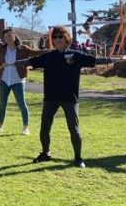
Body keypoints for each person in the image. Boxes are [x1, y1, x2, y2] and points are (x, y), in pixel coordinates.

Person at [9, 26, 116, 168]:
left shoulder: (76, 55)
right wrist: (12, 64)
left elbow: (95, 60)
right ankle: (45, 153)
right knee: (44, 128)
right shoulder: (48, 56)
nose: (57, 39)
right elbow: (31, 61)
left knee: (74, 129)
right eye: (55, 37)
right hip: (50, 98)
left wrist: (113, 60)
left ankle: (78, 158)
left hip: (69, 98)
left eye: (60, 36)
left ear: (67, 39)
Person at [0, 28, 45, 135]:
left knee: (22, 104)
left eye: (10, 36)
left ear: (14, 36)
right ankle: (0, 126)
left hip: (18, 80)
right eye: (5, 37)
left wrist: (51, 51)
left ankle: (25, 127)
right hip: (4, 80)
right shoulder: (1, 50)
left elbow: (36, 53)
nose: (8, 38)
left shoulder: (23, 49)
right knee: (2, 105)